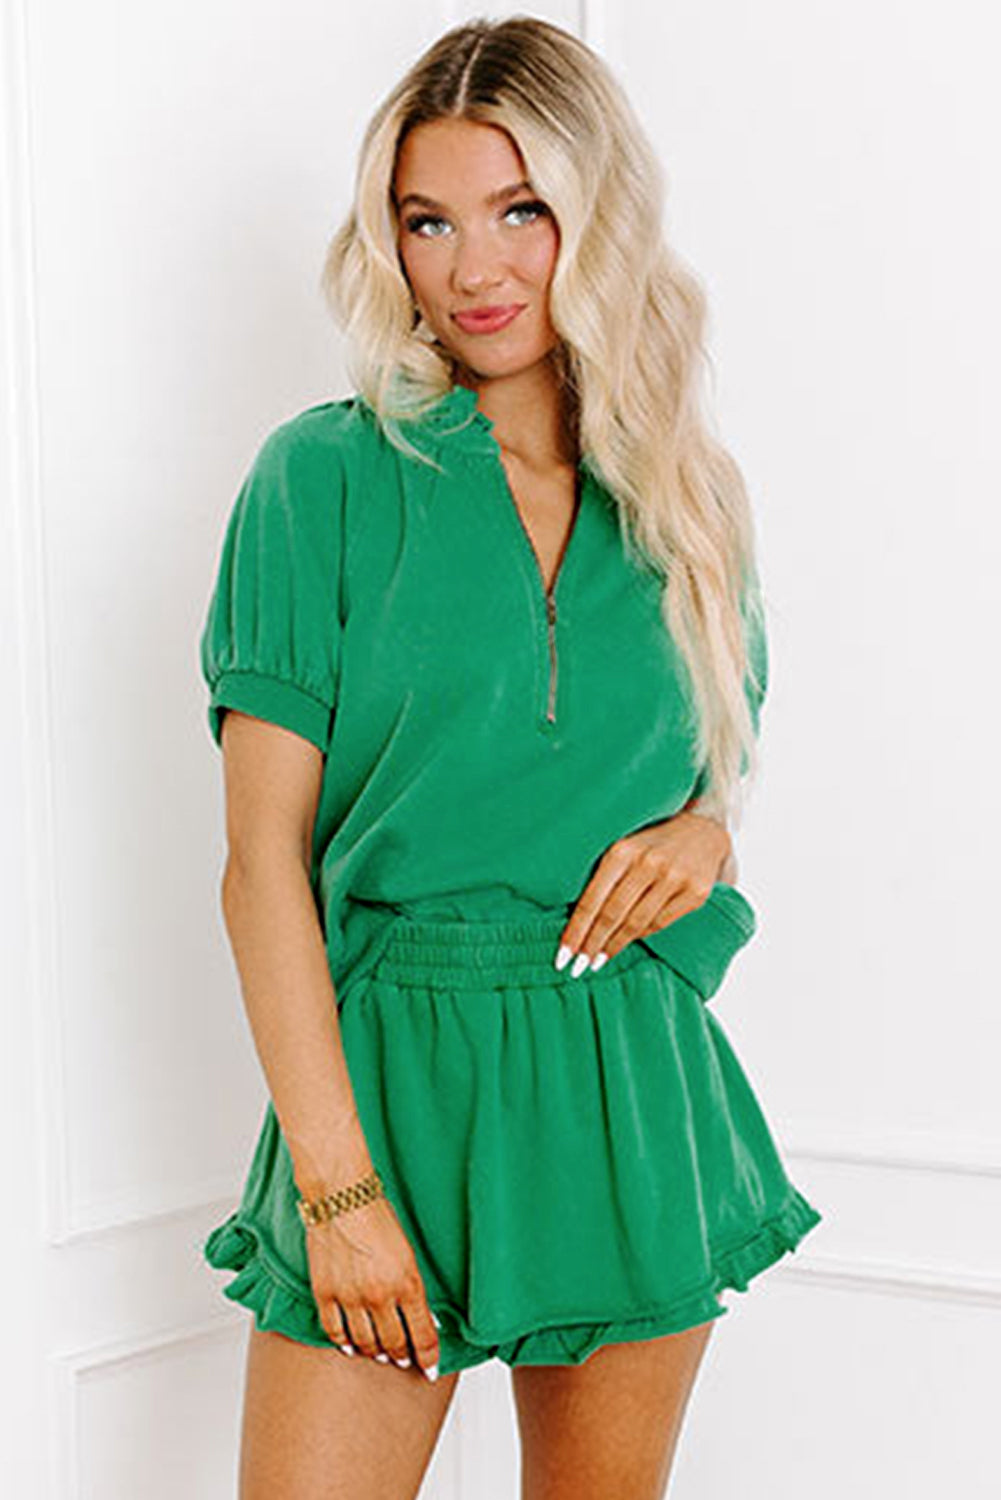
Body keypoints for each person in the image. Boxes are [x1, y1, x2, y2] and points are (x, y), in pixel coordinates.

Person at [198, 15, 823, 1498]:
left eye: (520, 211)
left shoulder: (686, 501)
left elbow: (706, 773)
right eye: (428, 221)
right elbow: (260, 865)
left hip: (622, 1086)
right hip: (386, 1088)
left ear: (595, 219)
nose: (472, 268)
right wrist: (336, 1190)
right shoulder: (321, 478)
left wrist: (708, 834)